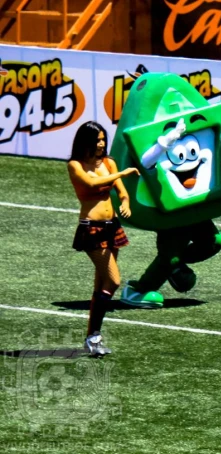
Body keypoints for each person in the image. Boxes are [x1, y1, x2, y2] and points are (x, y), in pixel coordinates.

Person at [67, 121, 140, 356]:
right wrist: (122, 173)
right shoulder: (75, 165)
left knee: (100, 285)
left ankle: (92, 339)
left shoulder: (109, 162)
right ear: (86, 141)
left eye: (103, 139)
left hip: (112, 226)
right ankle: (93, 336)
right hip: (92, 228)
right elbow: (91, 183)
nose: (101, 144)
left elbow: (121, 191)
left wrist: (126, 201)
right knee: (114, 280)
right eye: (97, 140)